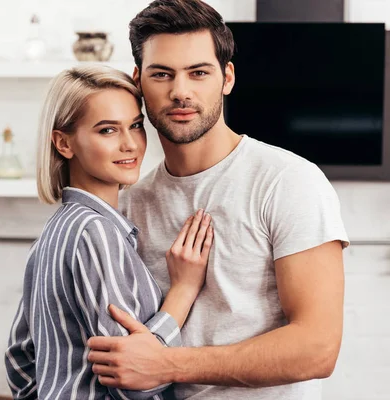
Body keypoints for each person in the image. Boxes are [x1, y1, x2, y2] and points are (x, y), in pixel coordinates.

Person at [86, 1, 350, 399]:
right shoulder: (129, 203)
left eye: (198, 73)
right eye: (162, 74)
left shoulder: (287, 182)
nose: (180, 92)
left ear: (226, 78)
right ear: (138, 81)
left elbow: (317, 349)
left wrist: (168, 364)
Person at [4, 65, 214, 399]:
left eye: (135, 125)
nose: (130, 144)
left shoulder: (53, 232)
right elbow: (132, 379)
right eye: (107, 131)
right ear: (63, 143)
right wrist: (184, 290)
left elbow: (19, 361)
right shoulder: (95, 233)